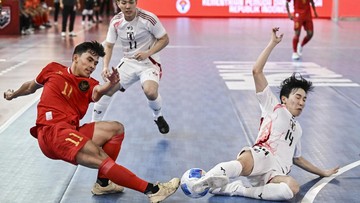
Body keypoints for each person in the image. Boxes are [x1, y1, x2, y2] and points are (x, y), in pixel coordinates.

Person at [3, 41, 179, 202]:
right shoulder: (52, 69)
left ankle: (103, 184)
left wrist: (110, 84)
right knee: (100, 157)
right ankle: (153, 190)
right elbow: (31, 86)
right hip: (52, 132)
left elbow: (98, 91)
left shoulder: (87, 84)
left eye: (95, 63)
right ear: (75, 58)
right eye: (89, 60)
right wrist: (14, 94)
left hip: (71, 130)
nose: (92, 66)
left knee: (116, 129)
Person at [191, 28, 339, 201]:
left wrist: (323, 172)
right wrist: (272, 43)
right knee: (242, 163)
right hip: (261, 155)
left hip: (275, 173)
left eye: (305, 99)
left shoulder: (298, 129)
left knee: (292, 188)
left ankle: (238, 189)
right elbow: (256, 71)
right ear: (284, 98)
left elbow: (298, 159)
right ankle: (201, 182)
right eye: (298, 97)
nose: (301, 102)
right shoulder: (273, 106)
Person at [92, 0, 170, 134]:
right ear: (118, 3)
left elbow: (164, 39)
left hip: (149, 62)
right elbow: (109, 45)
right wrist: (105, 66)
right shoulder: (116, 21)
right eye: (123, 3)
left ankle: (158, 116)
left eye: (131, 2)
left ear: (136, 2)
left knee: (150, 92)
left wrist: (148, 53)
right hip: (128, 62)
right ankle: (93, 126)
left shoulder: (148, 18)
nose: (127, 6)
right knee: (106, 90)